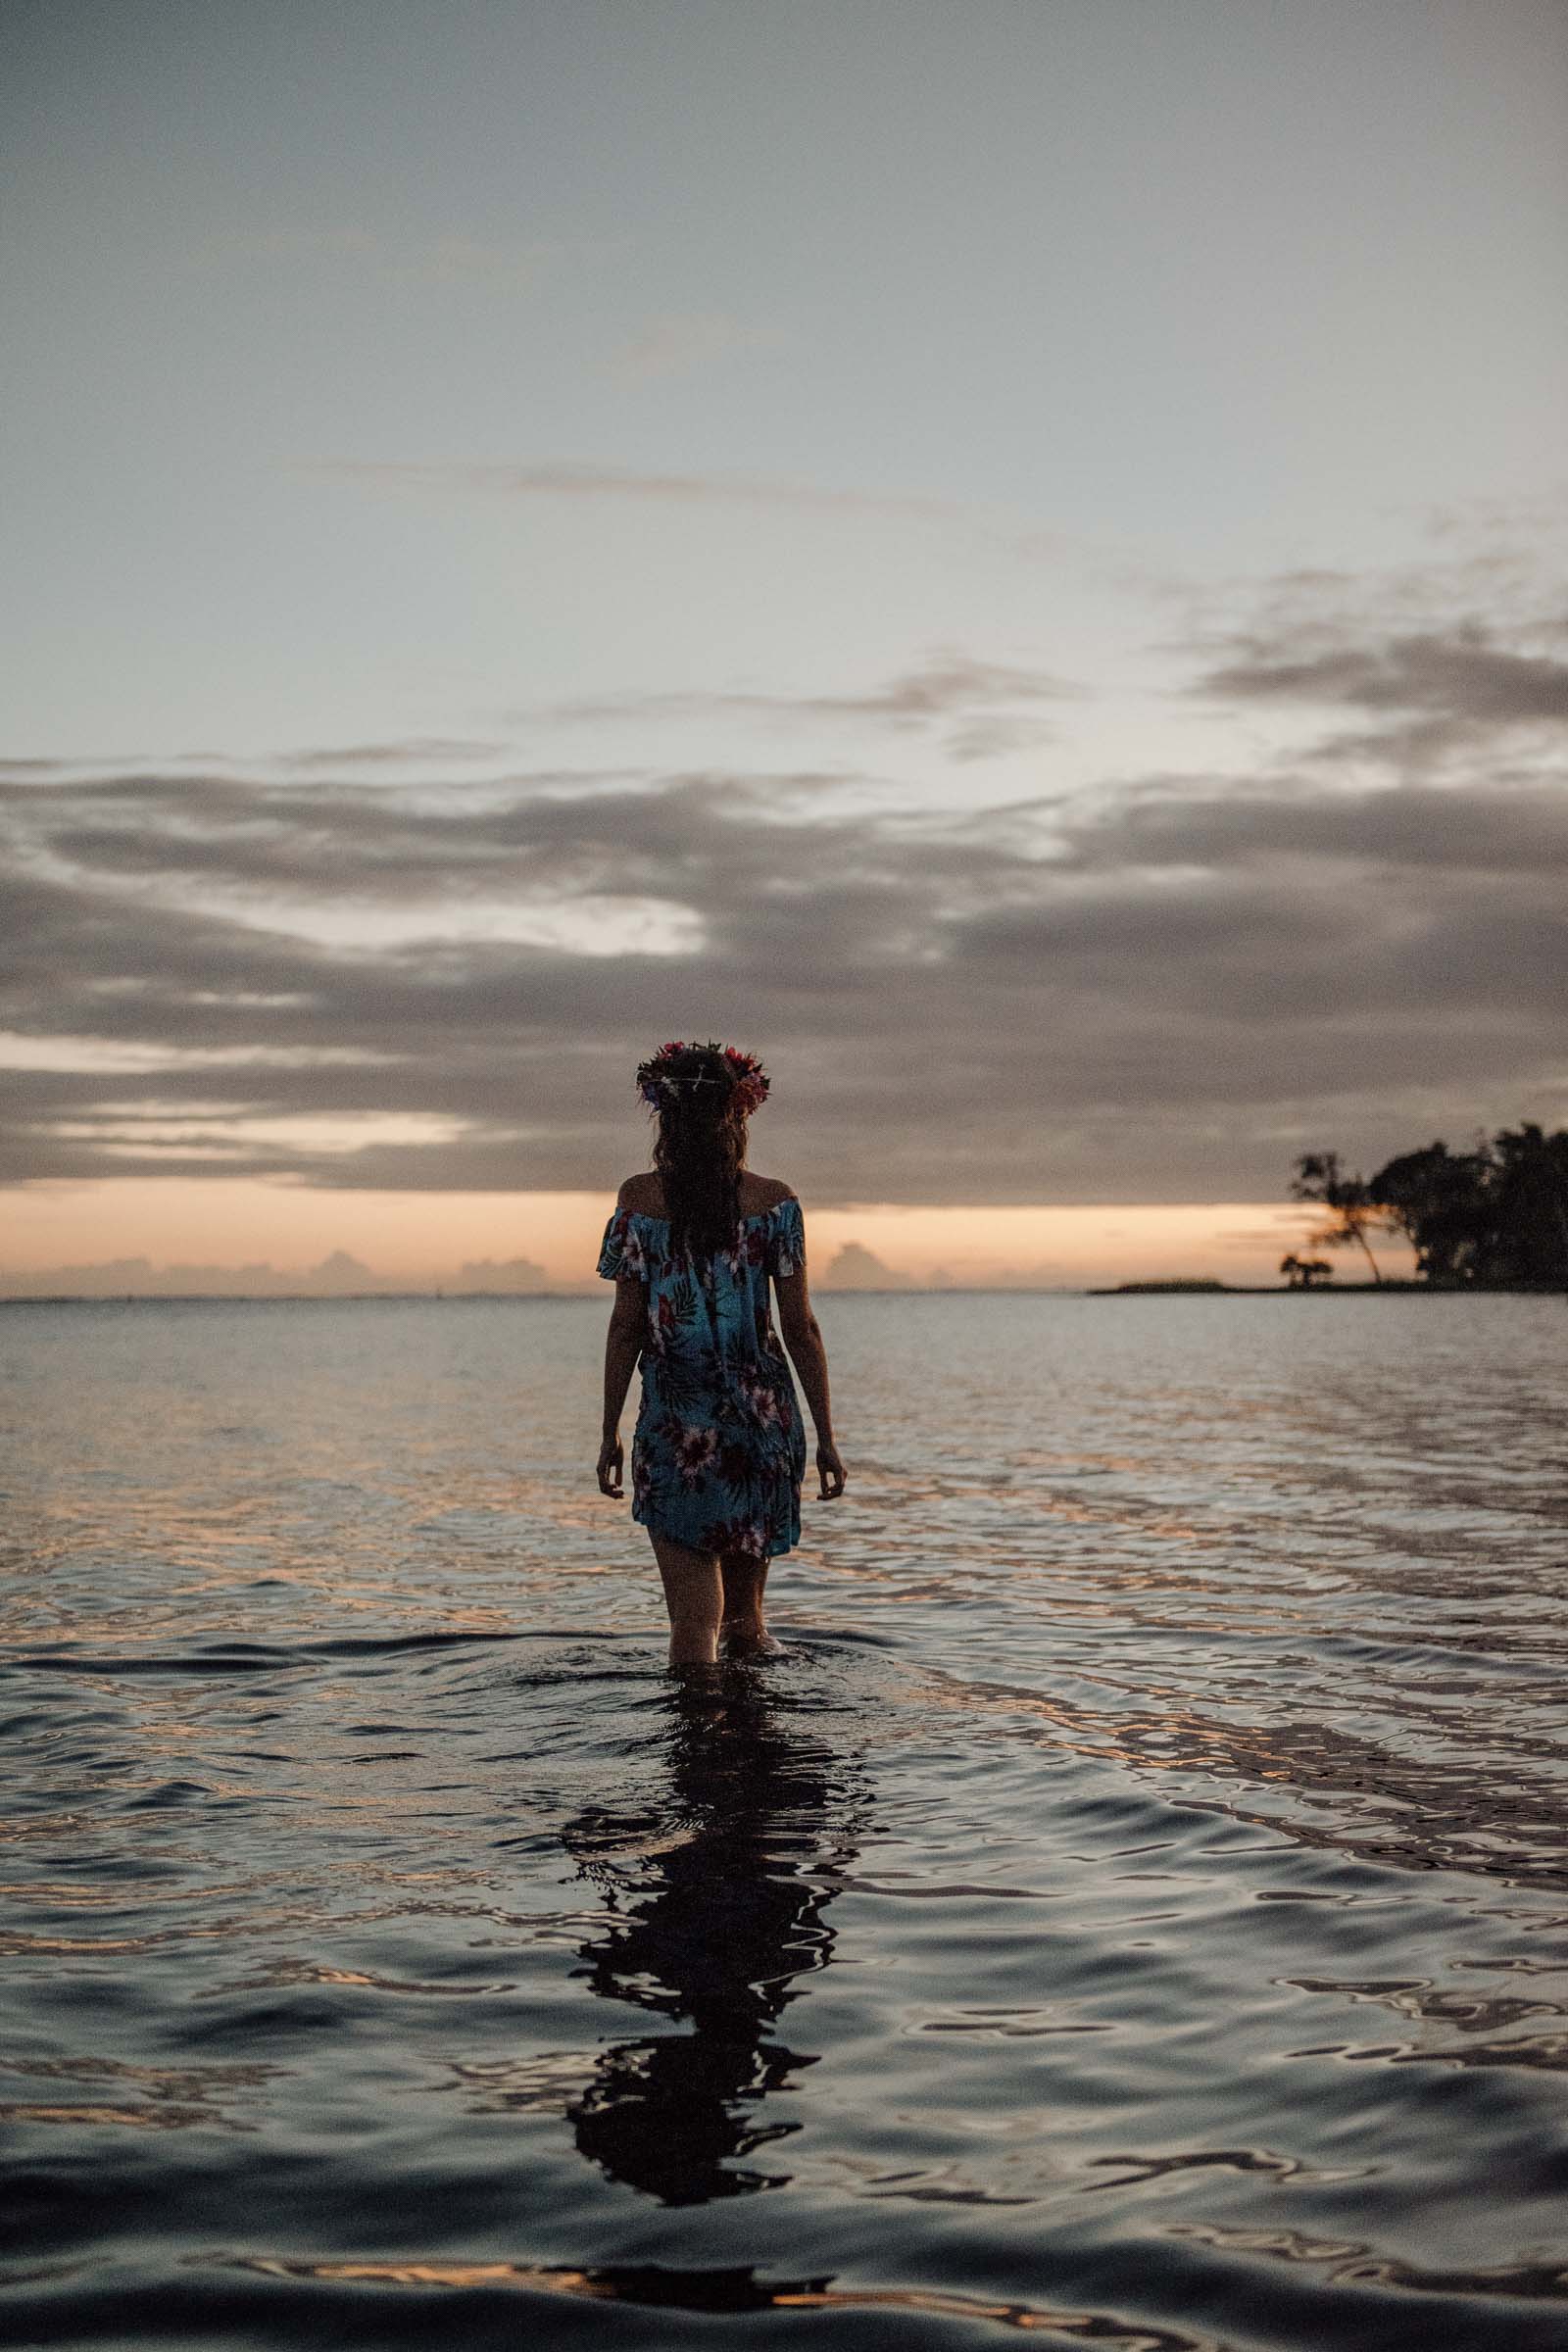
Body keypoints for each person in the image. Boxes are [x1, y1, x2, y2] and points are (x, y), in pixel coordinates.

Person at [595, 1038, 846, 1667]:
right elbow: (802, 1330)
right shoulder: (775, 1204)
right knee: (745, 1626)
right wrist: (826, 1436)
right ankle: (748, 1751)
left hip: (674, 1427)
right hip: (760, 1426)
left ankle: (693, 1753)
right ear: (739, 1115)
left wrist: (609, 1433)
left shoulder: (638, 1201)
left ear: (666, 1120)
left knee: (691, 1628)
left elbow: (626, 1327)